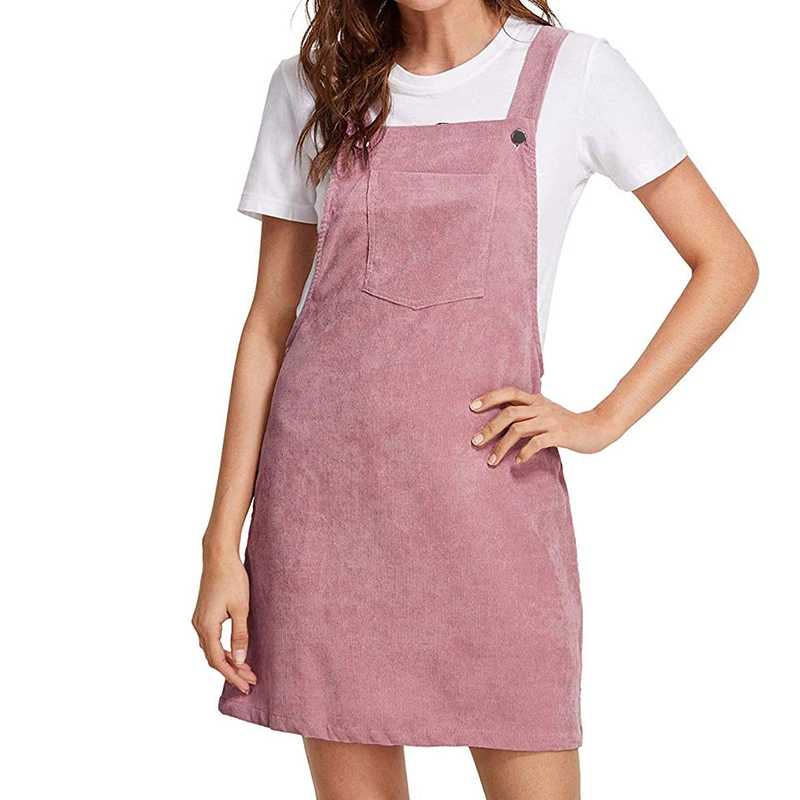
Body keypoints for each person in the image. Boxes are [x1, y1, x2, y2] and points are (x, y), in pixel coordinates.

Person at [192, 1, 758, 797]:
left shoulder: (576, 73)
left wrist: (604, 420)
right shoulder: (313, 85)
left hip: (489, 505)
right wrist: (221, 543)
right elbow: (267, 324)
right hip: (327, 508)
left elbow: (726, 262)